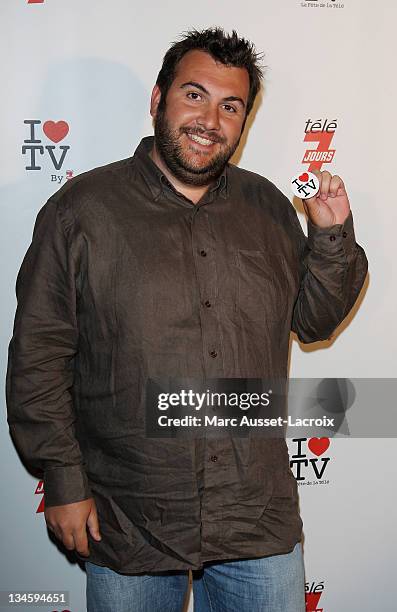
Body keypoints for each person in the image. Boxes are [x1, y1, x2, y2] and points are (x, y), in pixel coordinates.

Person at [6, 27, 368, 612]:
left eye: (231, 106)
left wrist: (330, 237)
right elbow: (40, 359)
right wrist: (64, 481)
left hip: (254, 515)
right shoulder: (81, 213)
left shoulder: (271, 207)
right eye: (194, 95)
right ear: (157, 100)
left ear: (244, 122)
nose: (210, 119)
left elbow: (315, 321)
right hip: (130, 517)